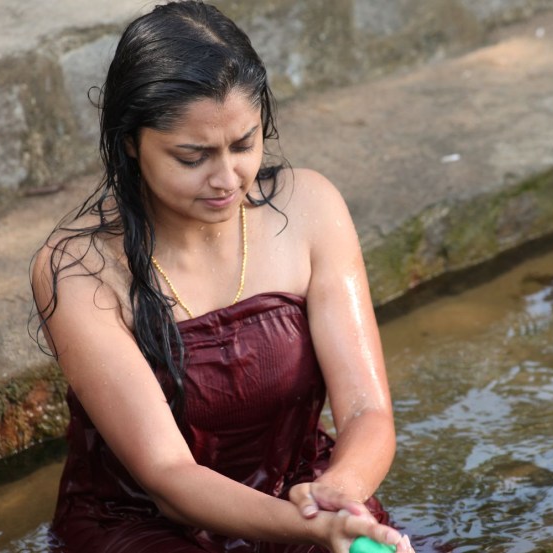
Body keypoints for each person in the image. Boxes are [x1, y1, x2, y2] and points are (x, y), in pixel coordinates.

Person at [31, 2, 413, 552]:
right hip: (147, 527)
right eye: (193, 156)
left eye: (244, 144)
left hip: (308, 498)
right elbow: (167, 476)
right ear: (131, 143)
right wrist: (313, 526)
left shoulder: (309, 208)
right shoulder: (79, 269)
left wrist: (338, 496)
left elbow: (367, 412)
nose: (227, 178)